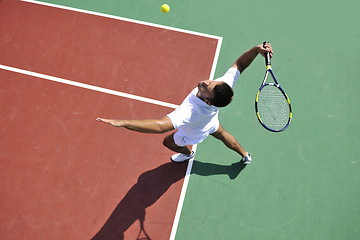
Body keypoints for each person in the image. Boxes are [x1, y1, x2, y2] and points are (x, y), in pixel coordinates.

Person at [97, 42, 273, 164]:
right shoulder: (222, 87)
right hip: (211, 122)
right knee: (222, 134)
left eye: (207, 88)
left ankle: (188, 153)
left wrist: (123, 123)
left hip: (193, 132)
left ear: (207, 101)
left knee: (168, 142)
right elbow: (240, 64)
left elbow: (160, 126)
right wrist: (256, 50)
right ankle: (245, 155)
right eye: (210, 82)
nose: (205, 83)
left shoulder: (190, 112)